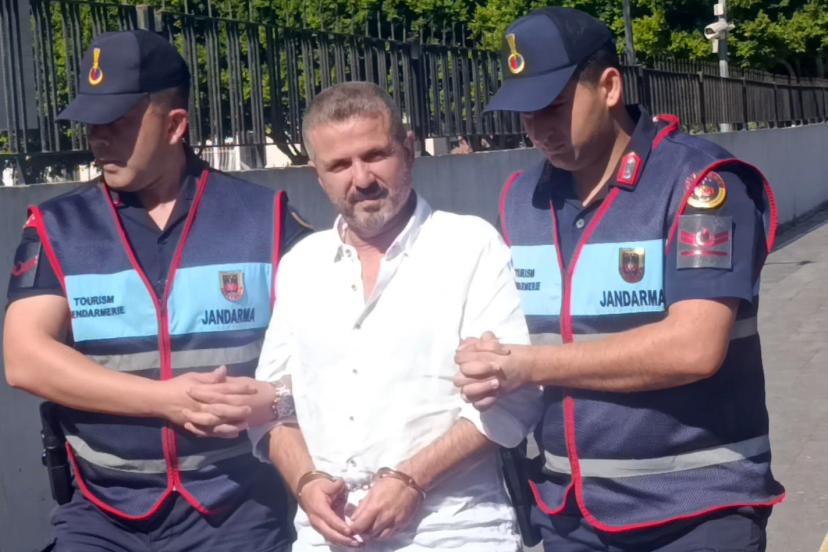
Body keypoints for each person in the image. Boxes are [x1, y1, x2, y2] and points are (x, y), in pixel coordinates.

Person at [454, 7, 785, 551]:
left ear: (609, 87)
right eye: (524, 113)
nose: (538, 129)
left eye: (553, 107)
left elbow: (694, 348)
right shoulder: (519, 202)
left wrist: (526, 364)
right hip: (569, 516)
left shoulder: (699, 184)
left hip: (695, 514)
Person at [3, 30, 310, 551]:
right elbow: (24, 359)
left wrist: (280, 400)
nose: (99, 139)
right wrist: (164, 400)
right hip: (103, 515)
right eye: (92, 124)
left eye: (117, 123)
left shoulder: (268, 219)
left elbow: (341, 347)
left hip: (238, 510)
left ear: (175, 125)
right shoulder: (59, 228)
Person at [251, 81, 541, 551]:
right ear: (316, 174)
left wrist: (412, 479)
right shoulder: (301, 265)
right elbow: (274, 405)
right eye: (339, 165)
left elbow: (514, 400)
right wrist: (305, 482)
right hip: (328, 539)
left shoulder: (469, 247)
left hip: (453, 533)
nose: (361, 177)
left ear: (408, 149)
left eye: (375, 155)